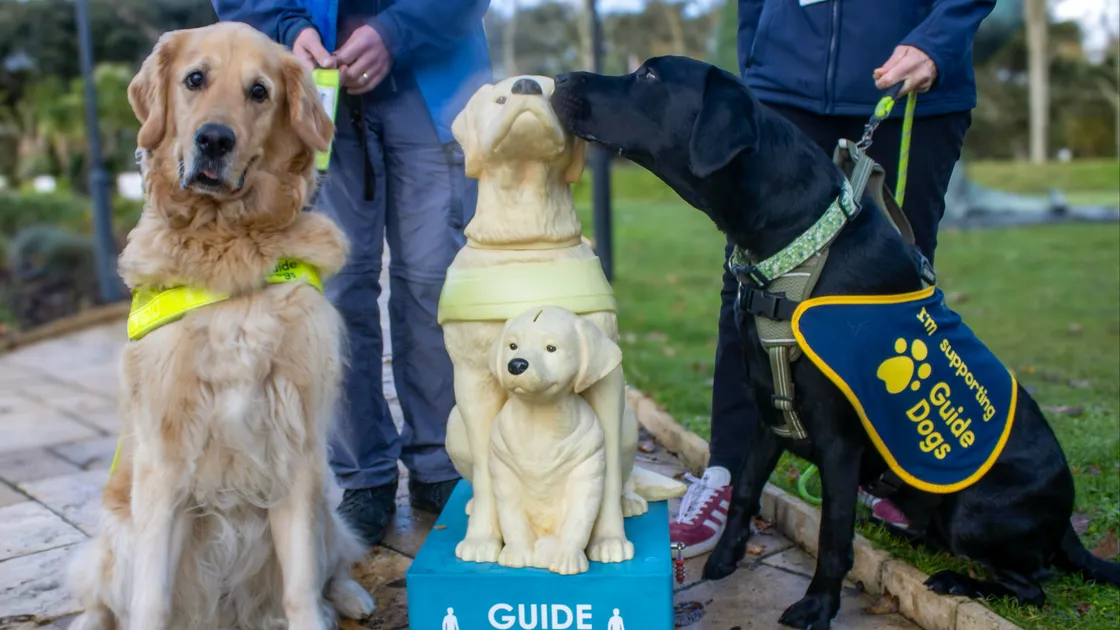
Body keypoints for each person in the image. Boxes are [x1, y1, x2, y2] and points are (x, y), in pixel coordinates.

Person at [671, 0, 996, 557]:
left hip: (912, 89)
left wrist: (938, 40)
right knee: (751, 287)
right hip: (783, 95)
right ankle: (724, 474)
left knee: (894, 296)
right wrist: (760, 62)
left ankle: (897, 474)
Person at [211, 0, 492, 546]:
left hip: (437, 76)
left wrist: (397, 31)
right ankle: (362, 474)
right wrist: (289, 28)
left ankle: (443, 461)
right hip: (309, 91)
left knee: (438, 282)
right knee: (332, 293)